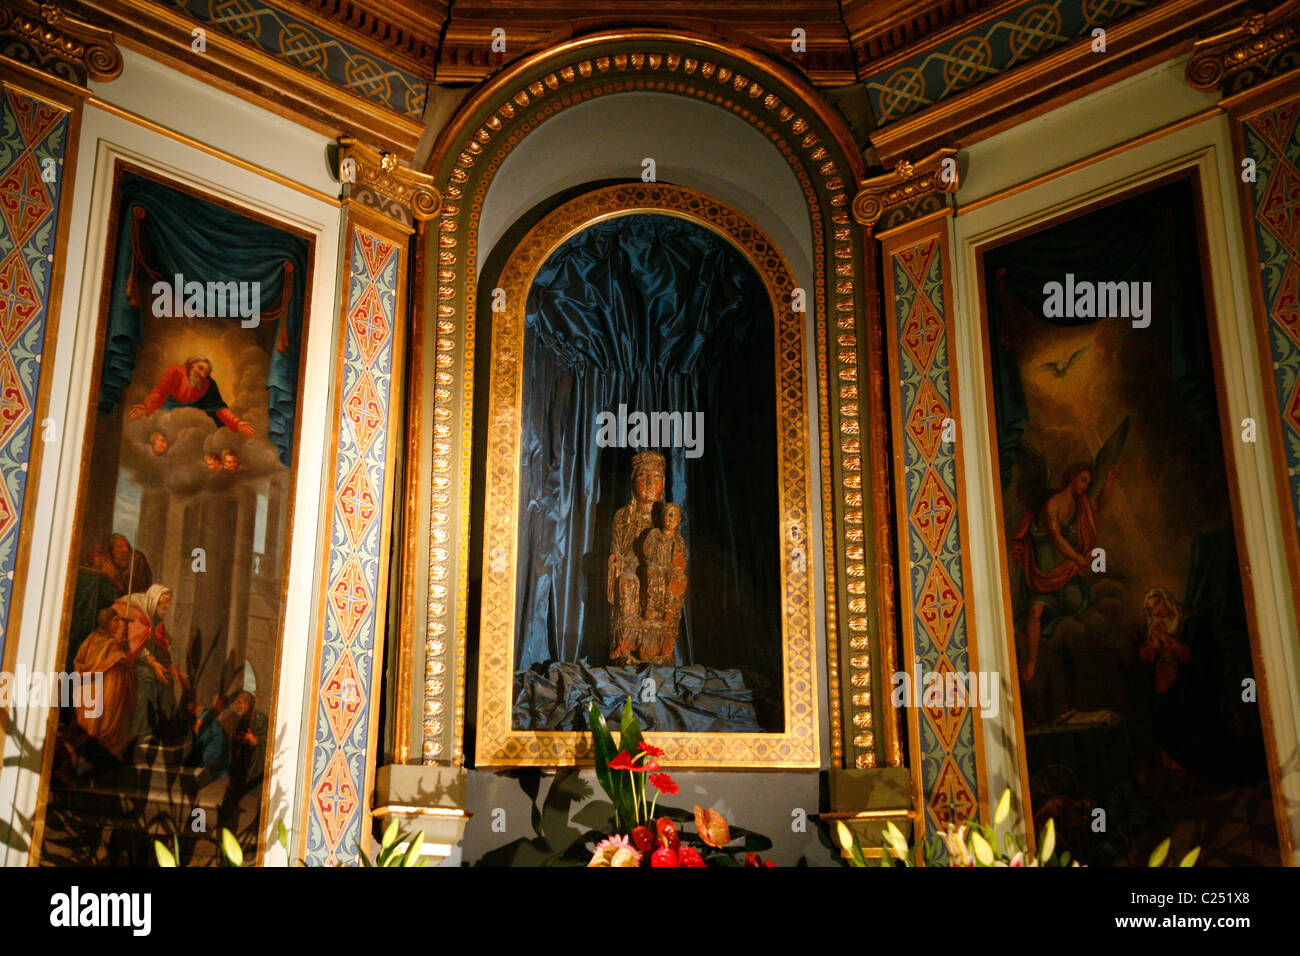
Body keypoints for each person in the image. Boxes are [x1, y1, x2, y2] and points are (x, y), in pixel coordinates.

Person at [1009, 461, 1120, 681]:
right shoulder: (1052, 504)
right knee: (1035, 612)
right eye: (1083, 480)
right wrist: (1078, 557)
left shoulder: (1080, 503)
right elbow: (1057, 539)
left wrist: (1108, 482)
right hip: (1042, 567)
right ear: (1071, 477)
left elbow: (1097, 506)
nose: (1086, 486)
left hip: (1062, 566)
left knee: (1077, 607)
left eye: (1088, 482)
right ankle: (1031, 662)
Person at [607, 450, 665, 663]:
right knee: (626, 583)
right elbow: (616, 550)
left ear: (664, 483)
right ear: (632, 482)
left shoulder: (666, 516)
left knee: (654, 581)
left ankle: (652, 651)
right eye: (642, 476)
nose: (649, 481)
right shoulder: (623, 516)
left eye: (656, 476)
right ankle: (626, 649)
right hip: (630, 570)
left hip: (656, 574)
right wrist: (617, 563)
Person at [114, 584, 184, 744]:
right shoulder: (134, 610)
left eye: (168, 602)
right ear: (154, 597)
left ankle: (164, 731)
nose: (166, 605)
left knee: (167, 681)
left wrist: (170, 667)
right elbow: (132, 644)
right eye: (164, 601)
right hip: (128, 661)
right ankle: (140, 733)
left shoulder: (156, 619)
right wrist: (152, 663)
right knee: (146, 678)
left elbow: (160, 649)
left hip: (146, 663)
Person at [129, 355, 255, 436]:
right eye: (200, 368)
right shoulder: (176, 371)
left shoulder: (208, 385)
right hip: (167, 415)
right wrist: (146, 407)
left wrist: (237, 423)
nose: (203, 374)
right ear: (190, 365)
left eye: (207, 372)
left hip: (194, 423)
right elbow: (160, 392)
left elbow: (219, 408)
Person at [71, 607, 137, 758]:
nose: (119, 625)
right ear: (107, 622)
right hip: (100, 692)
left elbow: (81, 666)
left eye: (119, 621)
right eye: (115, 621)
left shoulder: (90, 640)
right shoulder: (110, 645)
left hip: (90, 693)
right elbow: (121, 663)